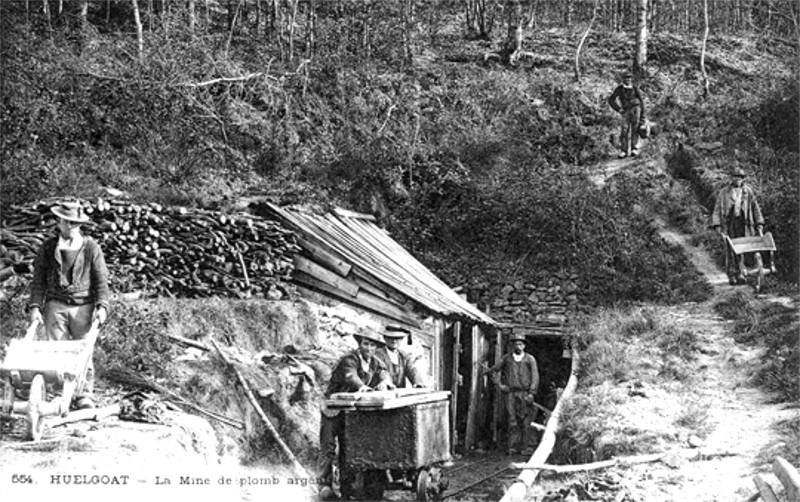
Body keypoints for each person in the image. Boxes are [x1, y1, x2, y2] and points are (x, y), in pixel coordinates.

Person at [28, 200, 109, 410]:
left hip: (83, 306)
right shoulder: (48, 248)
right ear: (59, 222)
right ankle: (58, 394)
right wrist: (35, 307)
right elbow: (38, 280)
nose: (70, 227)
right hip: (55, 306)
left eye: (74, 223)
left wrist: (102, 306)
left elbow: (101, 280)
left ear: (79, 224)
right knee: (57, 352)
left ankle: (83, 395)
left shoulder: (91, 248)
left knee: (83, 351)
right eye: (66, 222)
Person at [317, 328, 394, 501]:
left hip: (350, 412)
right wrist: (362, 387)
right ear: (360, 345)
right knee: (328, 447)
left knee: (348, 449)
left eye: (372, 345)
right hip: (333, 408)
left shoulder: (375, 361)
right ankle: (323, 486)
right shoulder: (349, 359)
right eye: (366, 344)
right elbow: (350, 376)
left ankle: (347, 488)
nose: (369, 348)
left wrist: (385, 381)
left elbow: (384, 371)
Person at [710, 166, 765, 285]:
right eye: (735, 177)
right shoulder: (724, 192)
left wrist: (759, 223)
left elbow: (755, 208)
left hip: (743, 223)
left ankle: (740, 273)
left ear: (743, 179)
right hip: (729, 223)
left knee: (741, 248)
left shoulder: (748, 191)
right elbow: (717, 209)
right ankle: (731, 274)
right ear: (731, 178)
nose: (737, 179)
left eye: (740, 177)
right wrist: (717, 224)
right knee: (730, 248)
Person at [487, 334, 539, 454]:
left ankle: (525, 447)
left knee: (525, 420)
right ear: (512, 346)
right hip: (510, 394)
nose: (518, 346)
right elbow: (493, 371)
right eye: (516, 344)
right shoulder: (506, 359)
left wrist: (532, 393)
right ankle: (512, 447)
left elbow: (535, 377)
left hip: (525, 394)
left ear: (524, 346)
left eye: (520, 344)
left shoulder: (529, 359)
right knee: (512, 420)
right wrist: (500, 385)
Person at [608, 71, 645, 158]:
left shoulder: (635, 88)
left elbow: (641, 101)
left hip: (636, 110)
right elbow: (611, 99)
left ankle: (634, 149)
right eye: (626, 78)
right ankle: (623, 151)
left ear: (631, 79)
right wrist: (618, 109)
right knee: (624, 130)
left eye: (629, 78)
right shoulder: (619, 89)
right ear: (623, 79)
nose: (628, 80)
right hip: (625, 111)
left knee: (635, 129)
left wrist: (643, 116)